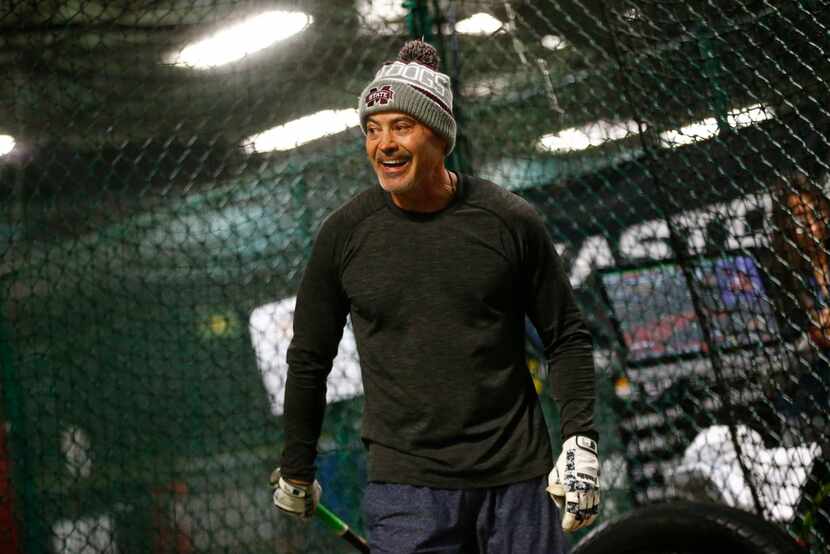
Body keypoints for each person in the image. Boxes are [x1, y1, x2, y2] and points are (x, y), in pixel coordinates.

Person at [271, 39, 600, 553]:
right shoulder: (344, 235)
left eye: (401, 126)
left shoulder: (509, 221)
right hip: (407, 489)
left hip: (516, 480)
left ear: (439, 136)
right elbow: (310, 358)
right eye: (371, 130)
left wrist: (580, 441)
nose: (384, 144)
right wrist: (297, 467)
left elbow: (566, 336)